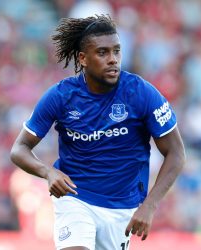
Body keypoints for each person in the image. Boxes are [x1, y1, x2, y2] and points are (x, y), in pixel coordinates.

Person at [10, 14, 186, 250]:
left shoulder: (141, 93)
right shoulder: (61, 96)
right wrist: (48, 172)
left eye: (116, 51)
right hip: (75, 198)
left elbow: (176, 153)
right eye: (103, 53)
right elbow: (19, 148)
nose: (113, 59)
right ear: (83, 58)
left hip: (122, 207)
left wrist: (150, 205)